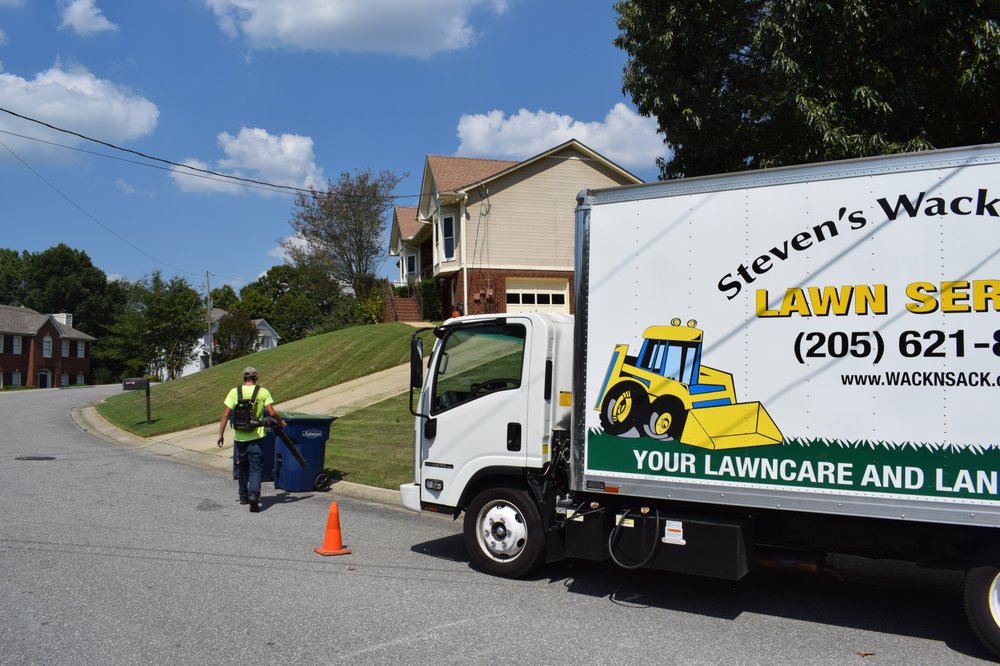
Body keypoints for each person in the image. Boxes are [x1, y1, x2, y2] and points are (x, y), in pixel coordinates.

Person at [216, 366, 285, 512]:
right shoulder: (262, 391)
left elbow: (225, 415)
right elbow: (271, 412)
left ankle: (243, 496)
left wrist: (220, 434)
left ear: (243, 378)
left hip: (240, 437)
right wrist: (280, 422)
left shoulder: (234, 392)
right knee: (255, 467)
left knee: (242, 466)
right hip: (256, 436)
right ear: (256, 378)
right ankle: (253, 495)